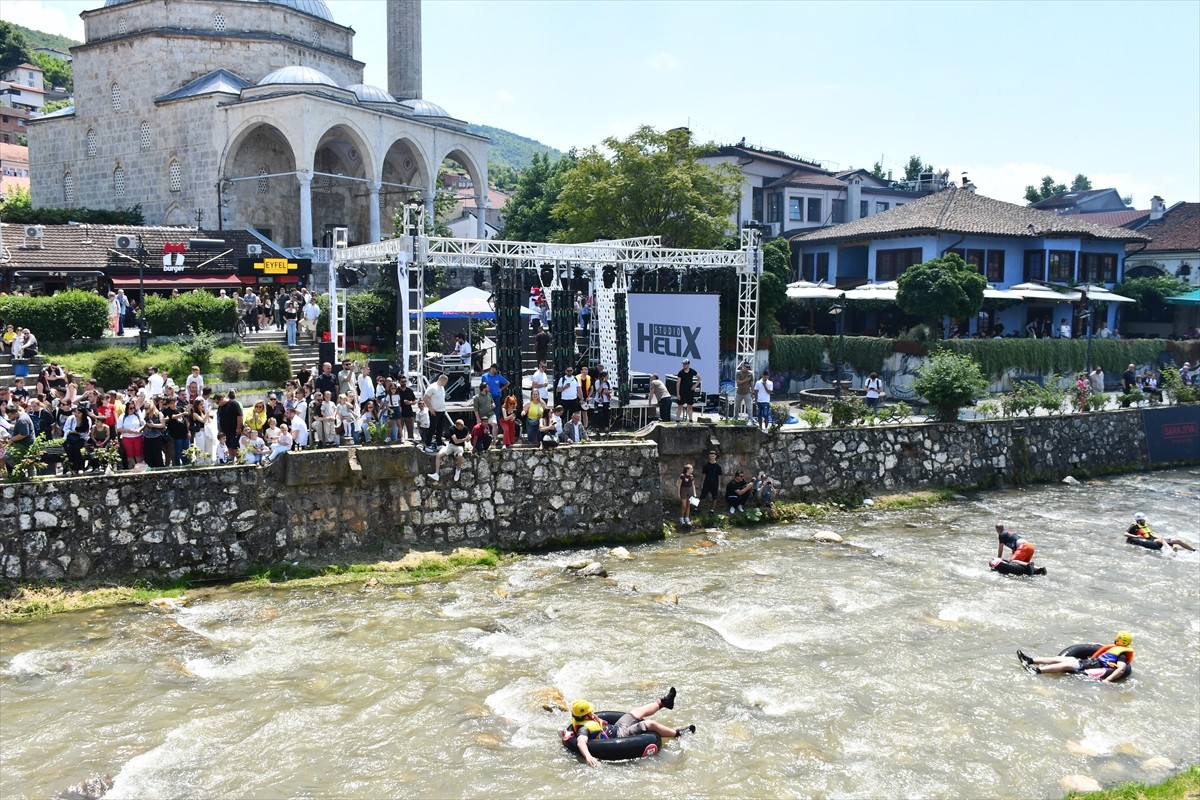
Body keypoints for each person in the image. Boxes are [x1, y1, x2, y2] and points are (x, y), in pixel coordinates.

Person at [566, 688, 694, 768]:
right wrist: (588, 757)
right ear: (585, 715)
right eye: (590, 711)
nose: (592, 712)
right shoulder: (584, 728)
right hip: (620, 735)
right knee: (649, 724)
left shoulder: (587, 719)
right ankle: (678, 733)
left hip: (617, 727)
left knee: (636, 712)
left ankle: (664, 702)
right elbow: (581, 742)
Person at [1017, 632, 1134, 684]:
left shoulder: (1122, 655)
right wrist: (1097, 644)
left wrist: (1108, 680)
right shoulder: (1116, 648)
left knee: (1067, 665)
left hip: (1093, 666)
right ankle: (1030, 660)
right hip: (1090, 662)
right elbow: (1107, 649)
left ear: (1119, 640)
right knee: (1059, 659)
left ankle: (1036, 671)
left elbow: (1121, 669)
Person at [1126, 512, 1195, 551]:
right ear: (1139, 520)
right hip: (1149, 541)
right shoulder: (1134, 526)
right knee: (1161, 540)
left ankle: (1192, 550)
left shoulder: (1144, 525)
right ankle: (1171, 550)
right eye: (1143, 519)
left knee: (1176, 539)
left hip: (1152, 539)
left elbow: (1150, 534)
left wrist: (1157, 536)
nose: (1145, 520)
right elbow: (1125, 534)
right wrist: (1135, 536)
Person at [427, 417, 470, 482]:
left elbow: (467, 440)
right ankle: (436, 474)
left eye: (463, 426)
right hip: (451, 445)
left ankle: (458, 470)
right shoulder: (451, 429)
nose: (463, 427)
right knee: (438, 455)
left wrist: (468, 438)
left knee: (460, 455)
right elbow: (455, 441)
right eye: (461, 426)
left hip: (460, 446)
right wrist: (465, 439)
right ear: (457, 426)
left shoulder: (465, 428)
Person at [423, 374, 449, 450]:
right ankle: (427, 443)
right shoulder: (432, 387)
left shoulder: (442, 388)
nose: (446, 384)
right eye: (445, 382)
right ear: (442, 380)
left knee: (440, 428)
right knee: (432, 428)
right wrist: (431, 409)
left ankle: (439, 442)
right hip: (434, 411)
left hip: (442, 410)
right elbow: (425, 398)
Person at [675, 359, 699, 424]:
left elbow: (700, 378)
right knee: (680, 406)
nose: (684, 365)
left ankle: (690, 419)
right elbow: (678, 383)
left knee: (690, 406)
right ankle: (677, 420)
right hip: (682, 391)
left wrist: (695, 386)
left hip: (690, 391)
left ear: (688, 364)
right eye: (683, 364)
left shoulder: (692, 371)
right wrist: (678, 394)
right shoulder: (681, 372)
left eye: (685, 364)